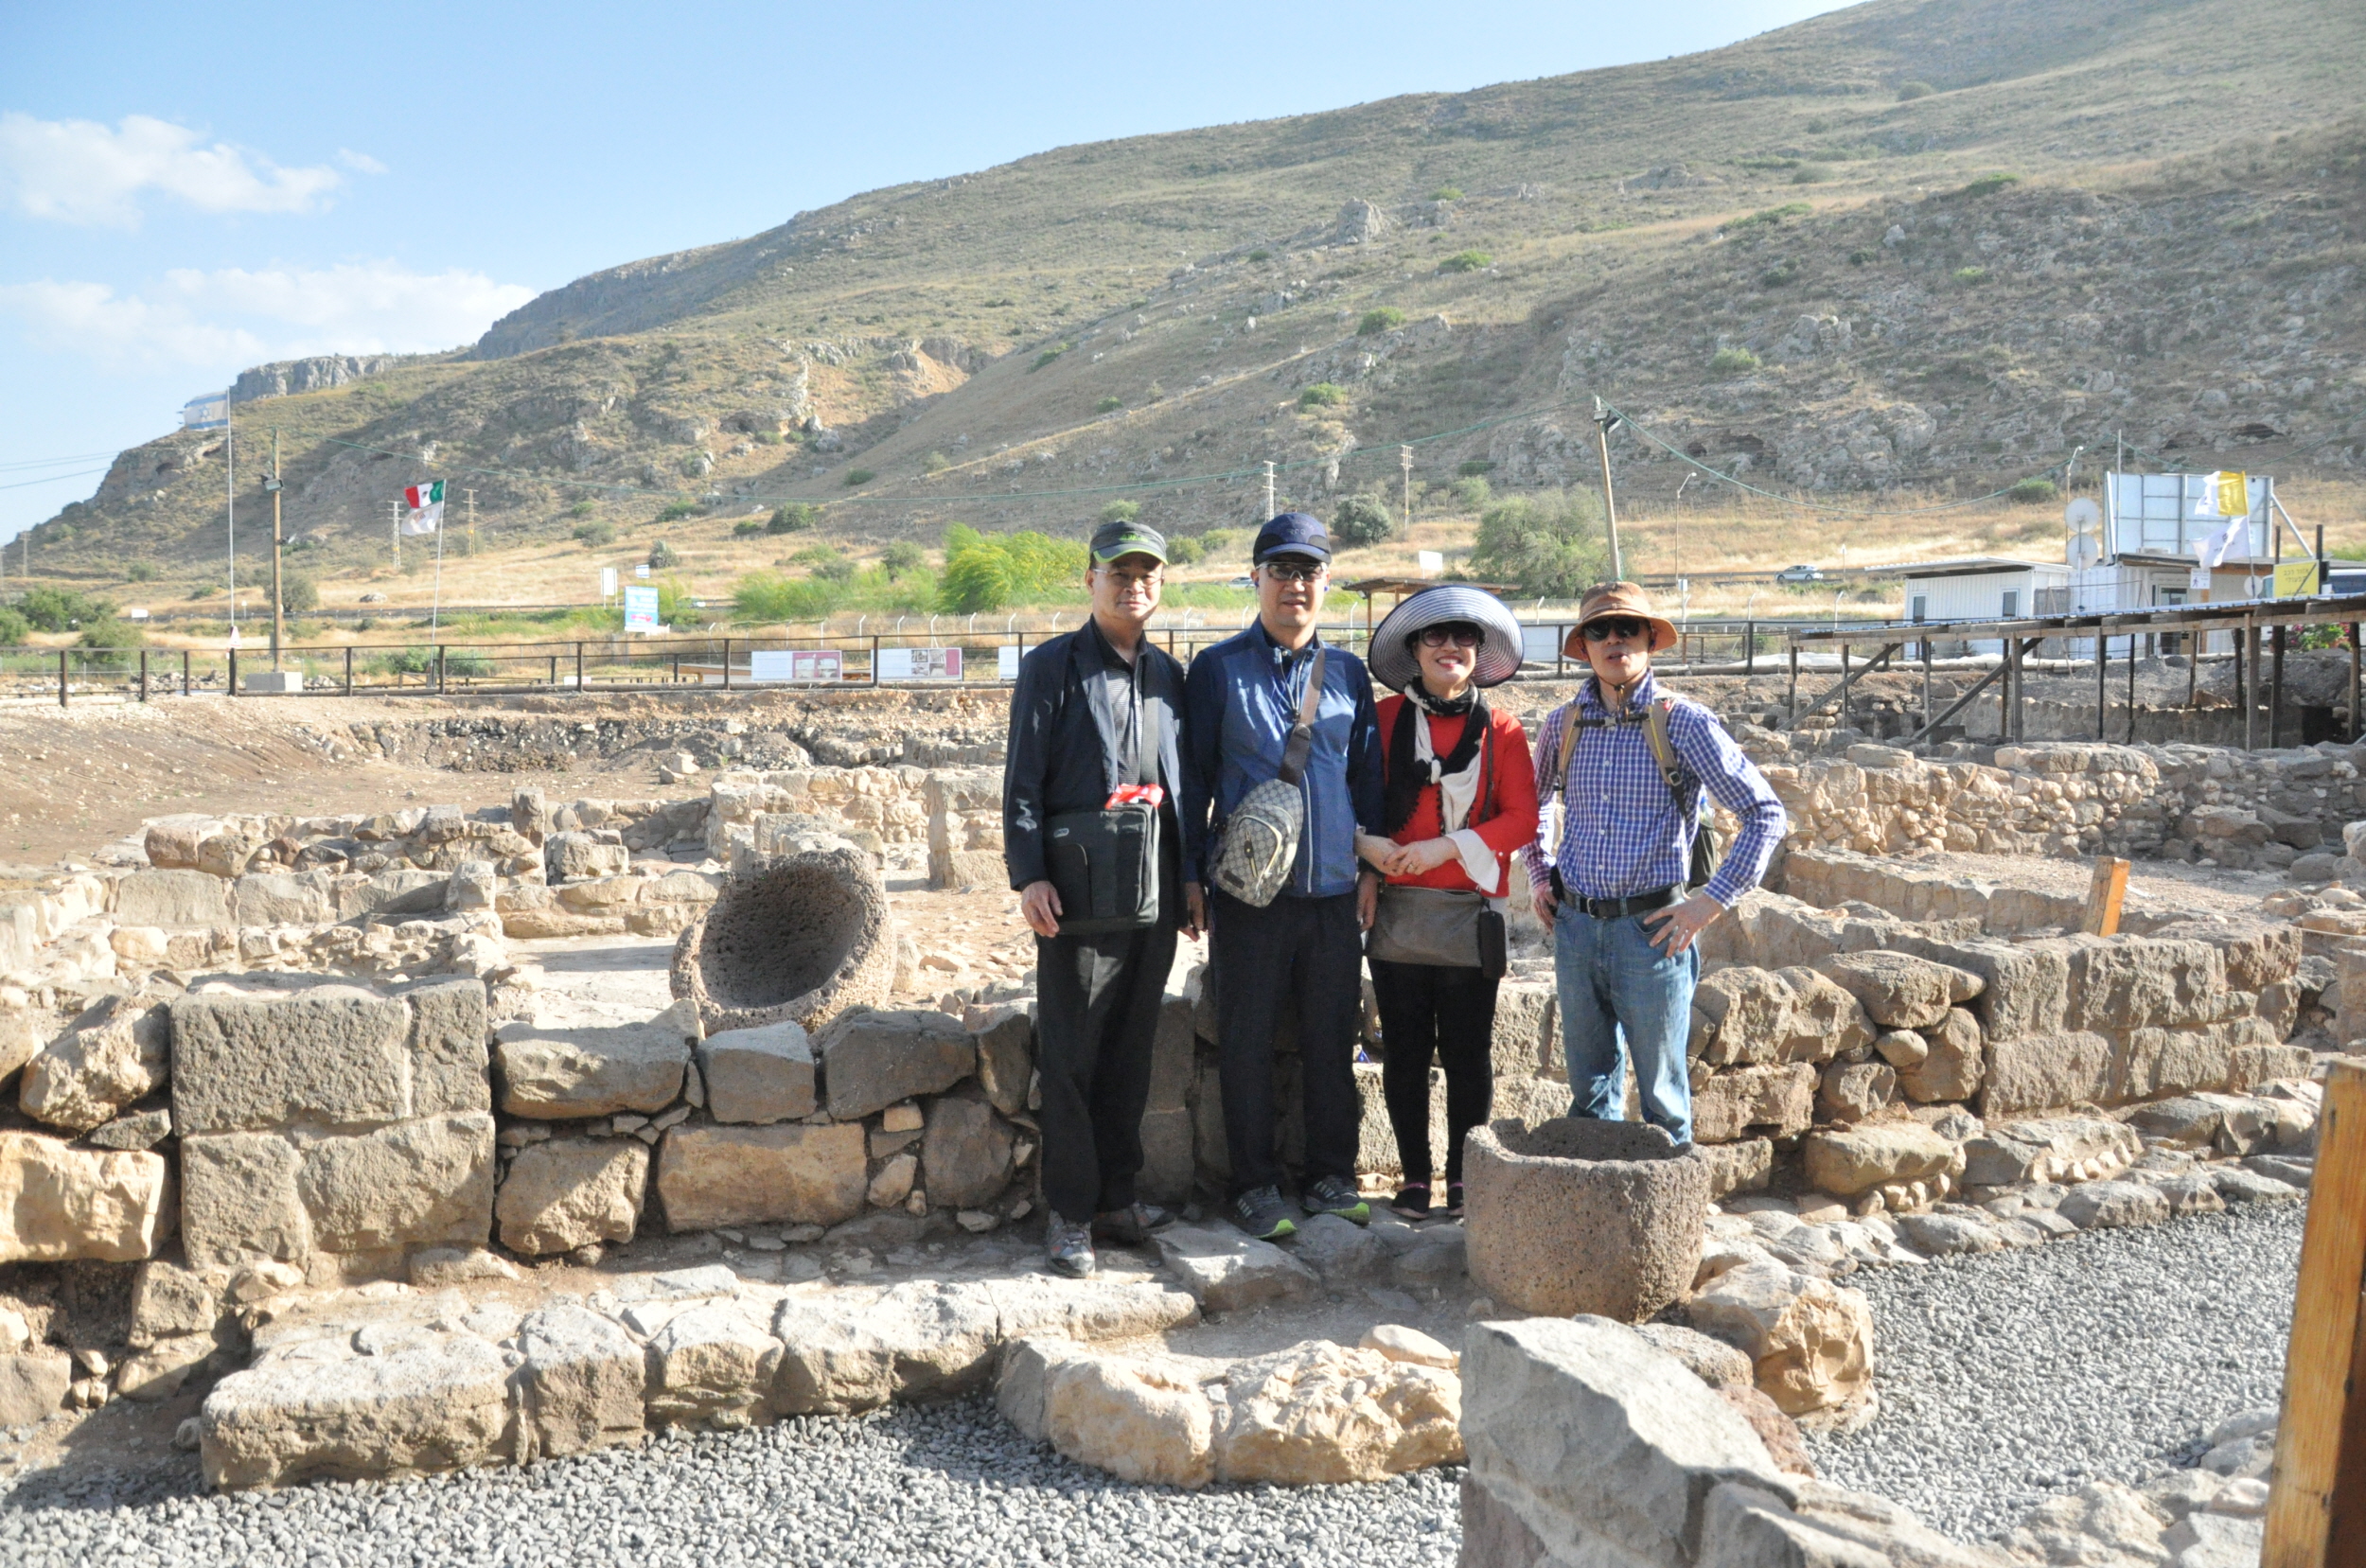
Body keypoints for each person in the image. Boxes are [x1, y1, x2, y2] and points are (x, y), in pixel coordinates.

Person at [1522, 581, 1786, 1148]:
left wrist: (1708, 903)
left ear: (1649, 640)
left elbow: (1765, 813)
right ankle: (1596, 1194)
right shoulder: (1563, 725)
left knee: (1663, 1099)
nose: (1614, 640)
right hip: (1576, 928)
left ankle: (1671, 1199)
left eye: (1628, 629)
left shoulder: (1682, 722)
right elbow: (1533, 806)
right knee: (1589, 1092)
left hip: (1654, 932)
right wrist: (1541, 875)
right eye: (1600, 630)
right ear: (1584, 646)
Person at [1180, 513, 1385, 1241]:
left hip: (1333, 892)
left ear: (1326, 582)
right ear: (1256, 578)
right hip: (1249, 895)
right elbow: (1194, 779)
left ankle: (1331, 1174)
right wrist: (1190, 876)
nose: (1295, 584)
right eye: (1281, 570)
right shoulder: (1216, 670)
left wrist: (1371, 870)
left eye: (1309, 571)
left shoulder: (1350, 674)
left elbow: (1367, 777)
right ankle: (1255, 1184)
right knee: (1247, 1040)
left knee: (1332, 1036)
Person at [1002, 518, 1196, 1277]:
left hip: (1153, 890)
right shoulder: (1050, 667)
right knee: (1073, 1052)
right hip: (1077, 891)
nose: (1133, 585)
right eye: (1119, 572)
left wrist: (1190, 881)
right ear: (1090, 580)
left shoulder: (1171, 676)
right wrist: (1029, 875)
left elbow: (1186, 790)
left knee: (1131, 1048)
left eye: (1147, 573)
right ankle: (1071, 1212)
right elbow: (1023, 782)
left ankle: (1118, 1196)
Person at [1361, 586, 1538, 1222]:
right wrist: (1368, 856)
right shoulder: (1381, 720)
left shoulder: (1503, 729)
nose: (1449, 647)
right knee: (1404, 1053)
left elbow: (1521, 818)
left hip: (1471, 914)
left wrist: (1445, 847)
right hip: (1398, 912)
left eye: (1464, 637)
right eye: (1434, 635)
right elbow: (1359, 800)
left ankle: (1465, 1177)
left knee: (1468, 1055)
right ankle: (1414, 1176)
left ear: (1478, 652)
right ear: (1414, 649)